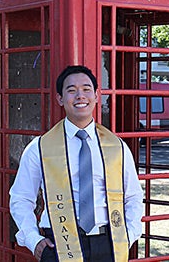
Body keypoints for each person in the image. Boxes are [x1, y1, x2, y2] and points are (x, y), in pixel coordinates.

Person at [9, 65, 143, 262]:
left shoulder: (117, 146)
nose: (80, 96)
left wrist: (129, 235)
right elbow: (20, 198)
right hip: (58, 243)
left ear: (97, 96)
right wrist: (33, 239)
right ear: (60, 99)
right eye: (71, 90)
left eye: (86, 89)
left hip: (109, 243)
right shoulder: (40, 147)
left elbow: (133, 196)